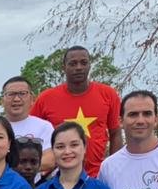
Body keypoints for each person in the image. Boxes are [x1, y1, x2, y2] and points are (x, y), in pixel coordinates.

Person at [30, 47, 121, 177]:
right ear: (64, 67)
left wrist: (115, 166)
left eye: (84, 63)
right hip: (57, 176)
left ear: (90, 65)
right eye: (72, 63)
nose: (79, 67)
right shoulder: (46, 98)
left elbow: (115, 132)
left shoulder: (108, 94)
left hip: (98, 174)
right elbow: (33, 134)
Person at [1, 76, 55, 174]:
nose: (17, 99)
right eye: (11, 94)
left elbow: (50, 160)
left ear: (32, 99)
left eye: (22, 94)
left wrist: (13, 169)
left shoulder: (44, 126)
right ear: (2, 100)